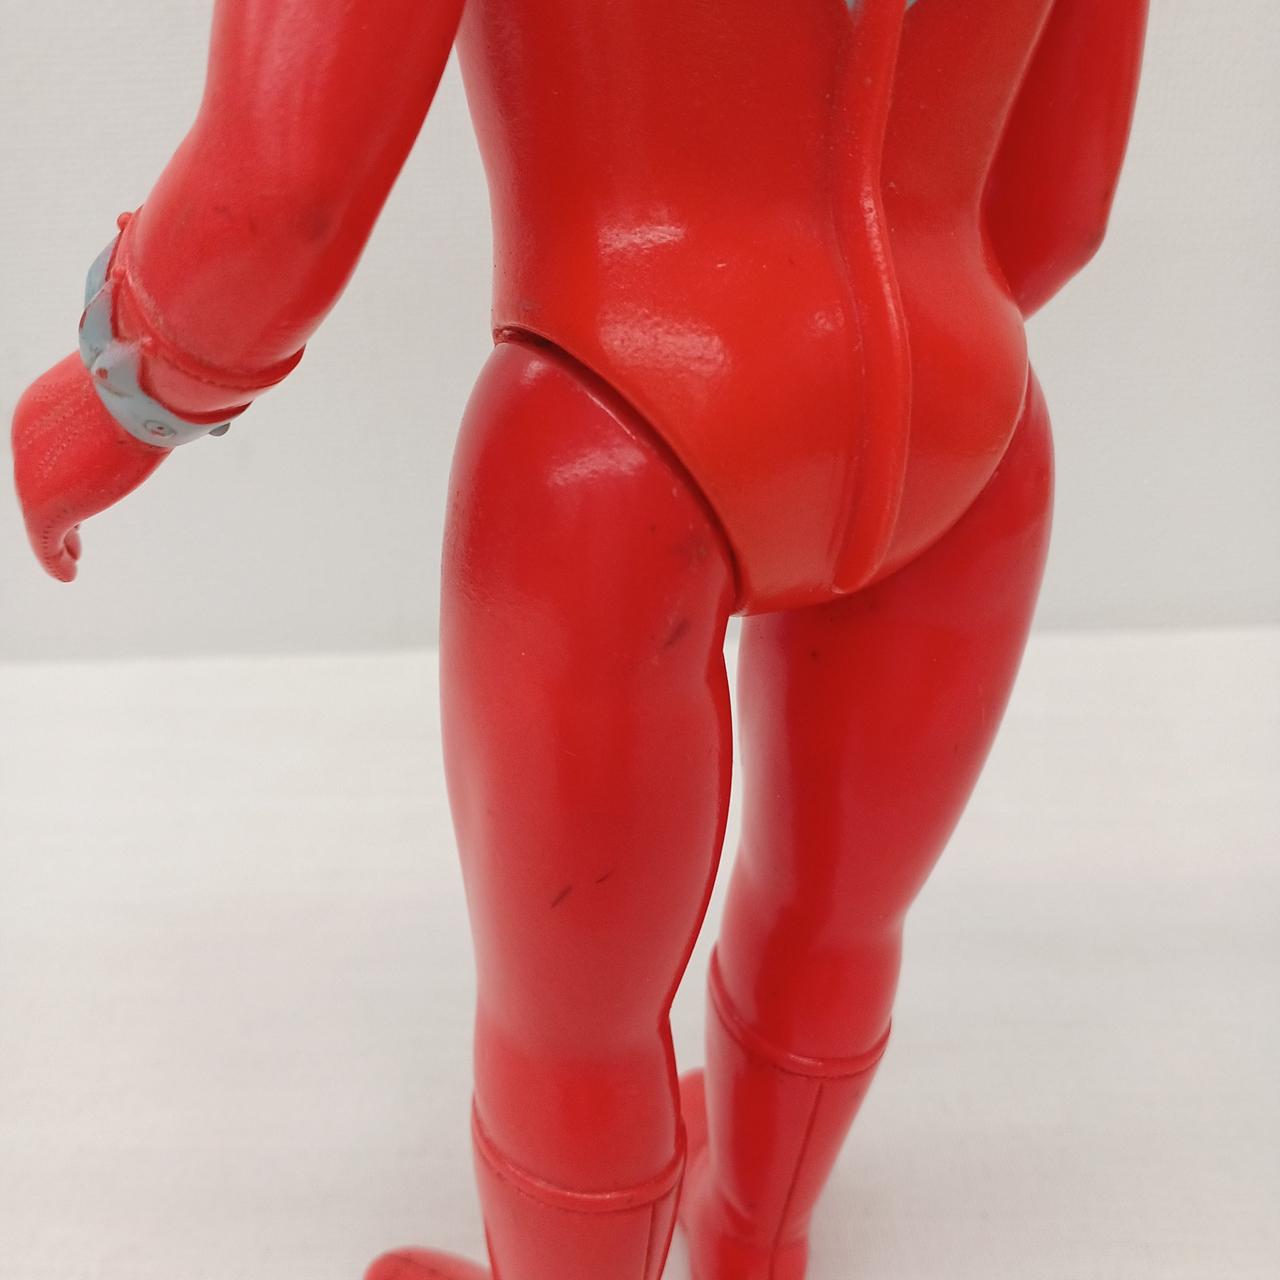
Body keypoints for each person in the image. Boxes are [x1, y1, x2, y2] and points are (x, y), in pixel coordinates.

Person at [10, 2, 1148, 1277]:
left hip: (615, 432)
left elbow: (282, 197)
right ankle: (753, 1240)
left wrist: (112, 399)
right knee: (833, 924)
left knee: (570, 1037)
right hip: (966, 421)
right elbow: (1058, 207)